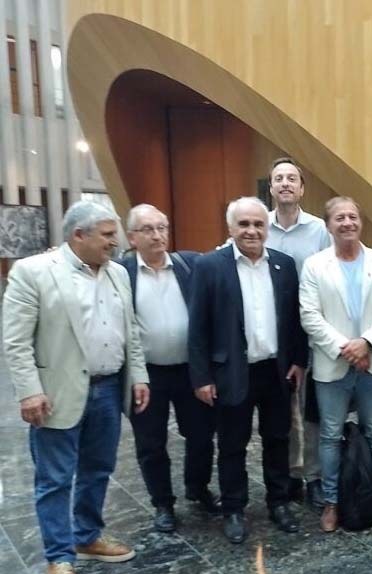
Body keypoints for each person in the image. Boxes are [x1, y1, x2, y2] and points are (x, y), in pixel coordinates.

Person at [2, 201, 150, 574]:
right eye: (107, 234)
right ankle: (59, 557)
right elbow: (16, 341)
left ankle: (87, 536)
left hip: (108, 388)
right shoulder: (33, 272)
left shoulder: (118, 273)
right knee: (54, 479)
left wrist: (138, 375)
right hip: (55, 394)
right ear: (78, 235)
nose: (115, 241)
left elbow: (131, 331)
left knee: (98, 469)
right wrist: (29, 391)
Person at [187, 196, 307, 544]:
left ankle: (279, 502)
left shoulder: (284, 265)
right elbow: (198, 328)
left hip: (277, 371)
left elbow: (294, 321)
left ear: (267, 228)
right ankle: (234, 509)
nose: (252, 231)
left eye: (258, 224)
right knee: (232, 444)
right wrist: (202, 377)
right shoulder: (209, 266)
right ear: (230, 228)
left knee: (278, 440)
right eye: (244, 224)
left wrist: (299, 361)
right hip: (231, 372)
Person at [299, 197, 372, 532]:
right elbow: (310, 316)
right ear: (328, 225)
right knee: (329, 435)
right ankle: (332, 502)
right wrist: (348, 349)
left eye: (353, 216)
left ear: (360, 221)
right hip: (332, 364)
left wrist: (366, 343)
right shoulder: (315, 266)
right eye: (339, 217)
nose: (347, 223)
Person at [120, 204, 220, 533]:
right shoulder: (120, 273)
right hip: (145, 375)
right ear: (132, 237)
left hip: (191, 371)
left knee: (201, 435)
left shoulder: (189, 265)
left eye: (161, 227)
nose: (157, 235)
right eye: (148, 229)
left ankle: (198, 487)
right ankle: (162, 503)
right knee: (151, 442)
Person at [266, 157, 332, 509]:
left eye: (292, 178)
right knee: (283, 411)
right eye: (279, 178)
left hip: (313, 329)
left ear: (302, 188)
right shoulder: (259, 226)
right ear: (271, 187)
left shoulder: (319, 230)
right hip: (274, 331)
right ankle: (291, 473)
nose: (285, 183)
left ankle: (315, 476)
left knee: (312, 411)